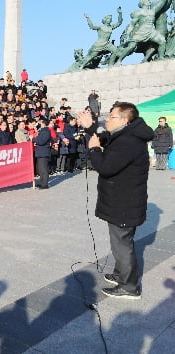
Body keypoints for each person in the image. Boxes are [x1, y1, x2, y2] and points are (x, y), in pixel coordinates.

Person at [78, 102, 154, 299]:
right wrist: (90, 127)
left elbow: (106, 167)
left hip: (124, 204)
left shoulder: (127, 142)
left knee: (122, 244)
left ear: (124, 120)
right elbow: (105, 135)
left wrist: (94, 150)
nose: (107, 120)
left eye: (111, 117)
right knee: (119, 241)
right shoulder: (126, 134)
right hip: (122, 201)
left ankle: (129, 287)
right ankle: (121, 274)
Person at [32, 119, 51, 189]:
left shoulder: (46, 131)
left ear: (43, 123)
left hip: (44, 152)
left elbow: (41, 141)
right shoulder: (43, 130)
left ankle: (45, 184)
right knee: (40, 168)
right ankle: (42, 182)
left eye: (40, 122)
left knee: (43, 169)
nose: (39, 123)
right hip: (40, 152)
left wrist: (33, 139)